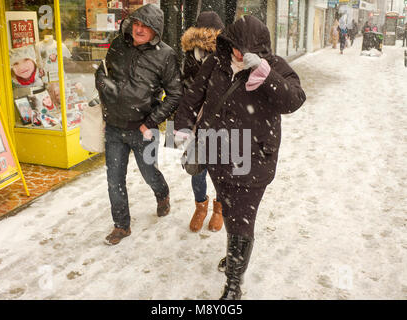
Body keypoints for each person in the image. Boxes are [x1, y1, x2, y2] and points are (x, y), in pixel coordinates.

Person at [174, 15, 306, 299]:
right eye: (235, 45)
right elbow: (192, 96)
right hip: (217, 156)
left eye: (247, 49)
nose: (240, 53)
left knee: (242, 220)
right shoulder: (216, 63)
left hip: (254, 160)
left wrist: (265, 73)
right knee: (232, 213)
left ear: (260, 48)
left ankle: (234, 283)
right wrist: (183, 127)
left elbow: (294, 100)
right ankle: (235, 256)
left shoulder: (276, 66)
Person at [95, 4, 183, 245]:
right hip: (114, 127)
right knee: (114, 179)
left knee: (149, 173)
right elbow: (102, 73)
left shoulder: (166, 55)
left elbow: (175, 94)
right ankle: (121, 226)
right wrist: (103, 84)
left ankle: (162, 193)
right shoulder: (117, 45)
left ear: (156, 29)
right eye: (136, 23)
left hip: (144, 130)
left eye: (145, 25)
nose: (139, 29)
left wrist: (151, 122)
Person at [180, 11, 225, 233]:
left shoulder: (227, 56)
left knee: (222, 169)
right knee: (197, 168)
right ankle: (200, 207)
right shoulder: (189, 56)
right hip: (196, 124)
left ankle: (219, 209)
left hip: (223, 124)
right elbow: (182, 89)